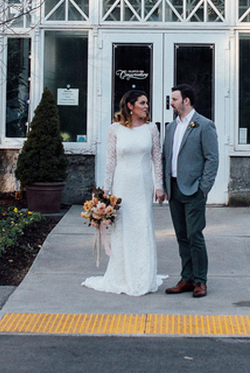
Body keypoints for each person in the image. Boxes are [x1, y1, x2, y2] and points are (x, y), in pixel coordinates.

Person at [82, 89, 167, 296]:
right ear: (130, 106)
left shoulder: (151, 130)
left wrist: (159, 185)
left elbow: (157, 158)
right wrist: (105, 193)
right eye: (142, 103)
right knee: (123, 228)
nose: (146, 107)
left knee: (142, 226)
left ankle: (143, 275)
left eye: (147, 103)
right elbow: (110, 161)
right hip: (122, 186)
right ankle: (121, 275)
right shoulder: (115, 129)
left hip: (142, 185)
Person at [162, 83, 219, 298]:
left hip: (194, 189)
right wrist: (165, 185)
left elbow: (212, 158)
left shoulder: (204, 125)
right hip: (174, 189)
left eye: (174, 99)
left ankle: (200, 281)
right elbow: (165, 158)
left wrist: (204, 188)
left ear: (186, 101)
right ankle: (186, 278)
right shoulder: (171, 127)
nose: (171, 103)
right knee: (181, 236)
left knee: (195, 235)